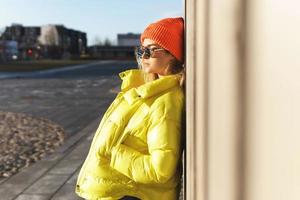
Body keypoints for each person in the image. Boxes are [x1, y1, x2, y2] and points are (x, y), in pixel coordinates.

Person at [75, 17, 185, 200]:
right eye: (142, 50)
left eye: (152, 50)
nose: (144, 56)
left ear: (172, 54)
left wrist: (115, 153)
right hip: (115, 191)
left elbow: (161, 170)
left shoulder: (165, 102)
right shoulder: (142, 91)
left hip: (129, 195)